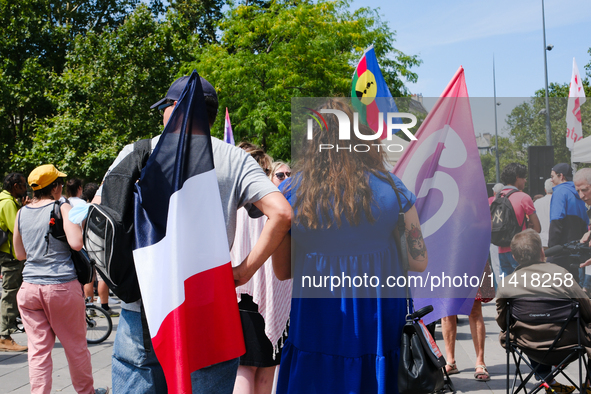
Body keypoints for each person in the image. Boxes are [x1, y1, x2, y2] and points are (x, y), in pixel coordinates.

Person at [94, 76, 291, 394]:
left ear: (174, 108)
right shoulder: (234, 157)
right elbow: (281, 213)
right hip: (208, 305)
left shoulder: (137, 151)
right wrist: (243, 271)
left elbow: (98, 214)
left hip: (145, 305)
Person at [273, 98, 427, 393]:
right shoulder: (392, 188)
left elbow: (282, 271)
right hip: (379, 326)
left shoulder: (290, 192)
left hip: (316, 324)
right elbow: (419, 261)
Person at [13, 164, 108, 394]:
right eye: (61, 183)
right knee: (75, 347)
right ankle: (87, 392)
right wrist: (70, 215)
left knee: (37, 351)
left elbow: (19, 254)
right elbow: (76, 243)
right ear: (55, 187)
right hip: (61, 287)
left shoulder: (22, 212)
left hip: (29, 289)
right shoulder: (61, 207)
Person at [496, 229, 591, 394]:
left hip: (529, 347)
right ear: (542, 251)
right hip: (568, 345)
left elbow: (503, 322)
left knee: (527, 328)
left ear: (514, 257)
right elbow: (587, 311)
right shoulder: (561, 275)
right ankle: (589, 384)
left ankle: (547, 380)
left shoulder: (506, 284)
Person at [232, 150, 292, 394]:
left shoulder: (233, 203)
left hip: (239, 290)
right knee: (266, 368)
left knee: (244, 368)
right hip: (268, 295)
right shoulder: (276, 203)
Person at [547, 163, 589, 286]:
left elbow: (556, 221)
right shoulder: (580, 195)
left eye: (553, 176)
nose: (551, 180)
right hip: (576, 250)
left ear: (561, 176)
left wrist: (552, 249)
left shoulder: (560, 192)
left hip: (561, 250)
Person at [497, 163, 541, 277]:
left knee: (507, 286)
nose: (525, 181)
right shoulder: (523, 197)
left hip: (501, 249)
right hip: (519, 250)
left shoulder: (497, 197)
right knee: (523, 285)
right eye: (523, 177)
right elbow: (537, 228)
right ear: (517, 177)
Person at [0, 172, 28, 352]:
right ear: (15, 185)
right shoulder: (8, 202)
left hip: (8, 253)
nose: (25, 189)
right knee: (10, 292)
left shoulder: (5, 199)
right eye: (24, 185)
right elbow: (17, 229)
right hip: (10, 255)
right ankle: (4, 337)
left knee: (14, 290)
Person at [534, 179, 553, 248]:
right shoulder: (560, 202)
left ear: (545, 189)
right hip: (555, 241)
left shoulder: (537, 203)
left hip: (541, 240)